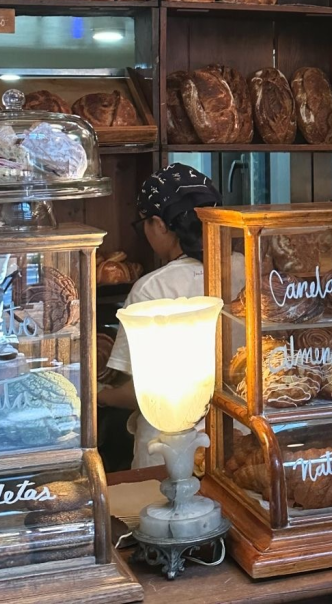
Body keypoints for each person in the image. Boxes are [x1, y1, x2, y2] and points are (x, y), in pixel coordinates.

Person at [98, 163, 222, 467]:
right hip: (233, 443)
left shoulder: (151, 289)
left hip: (167, 453)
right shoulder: (244, 268)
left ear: (159, 223)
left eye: (144, 224)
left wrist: (97, 395)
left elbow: (138, 394)